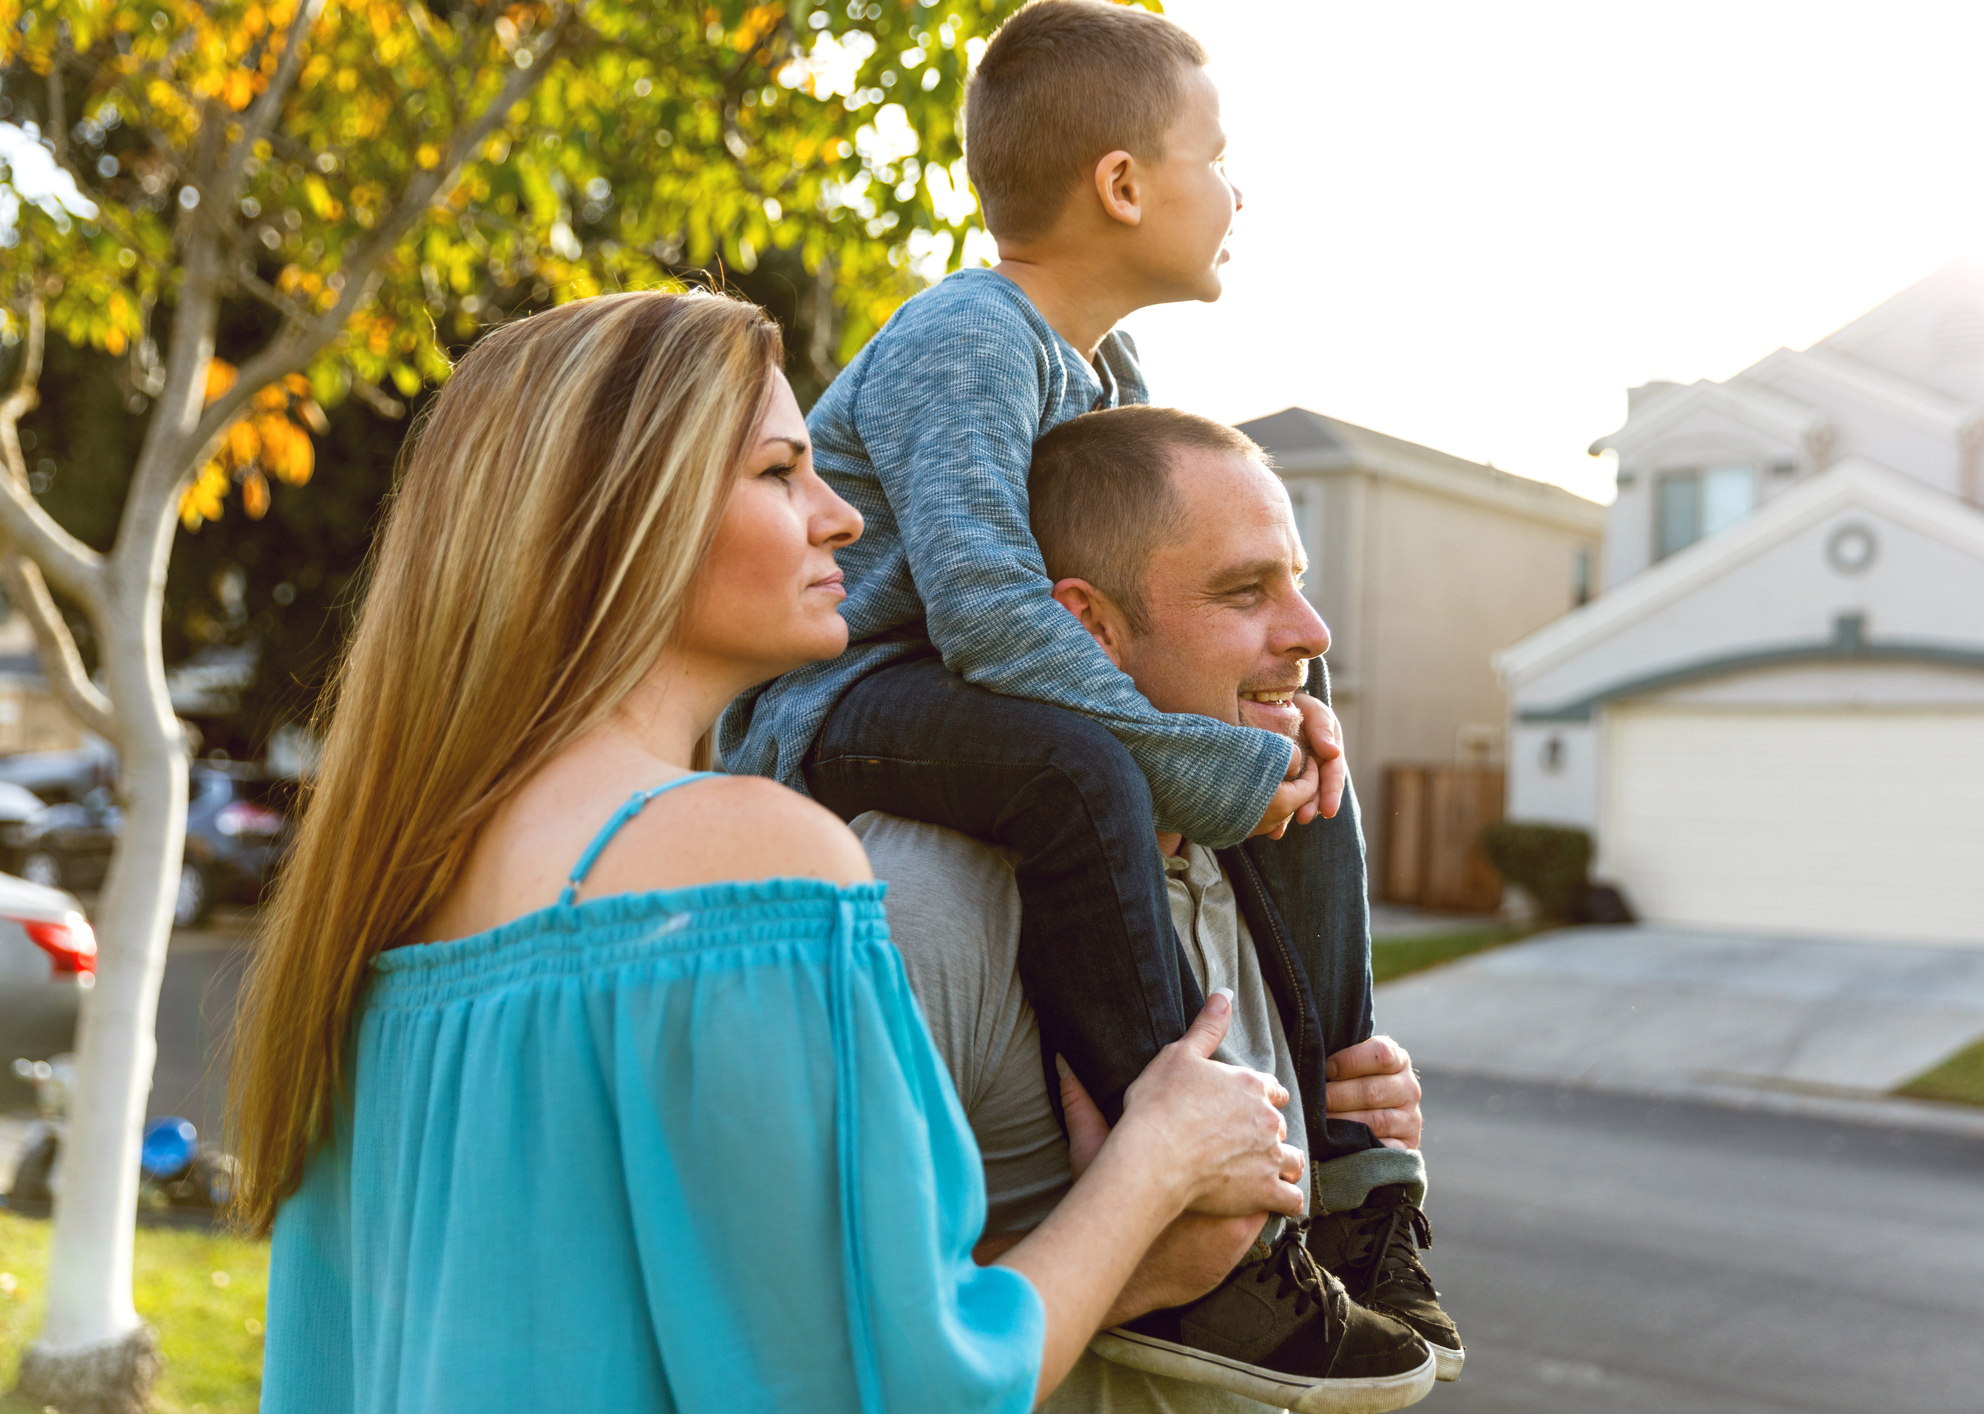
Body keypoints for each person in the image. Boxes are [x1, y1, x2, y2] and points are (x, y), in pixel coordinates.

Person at [225, 290, 1311, 1413]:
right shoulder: (744, 862)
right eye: (782, 471)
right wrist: (1152, 1175)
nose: (840, 517)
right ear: (623, 517)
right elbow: (895, 1389)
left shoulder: (383, 896)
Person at [717, 5, 1459, 1393]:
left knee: (1295, 751)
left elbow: (1123, 574)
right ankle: (1199, 1227)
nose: (1242, 190)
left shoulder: (1107, 370)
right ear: (1122, 184)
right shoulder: (969, 336)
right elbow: (995, 614)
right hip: (848, 701)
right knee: (1082, 775)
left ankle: (1356, 1179)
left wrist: (1276, 726)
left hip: (965, 684)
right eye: (1220, 156)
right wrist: (1201, 758)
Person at [861, 406, 1456, 1413]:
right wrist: (1146, 1250)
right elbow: (825, 1330)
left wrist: (1346, 1128)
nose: (1311, 632)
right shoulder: (919, 897)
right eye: (1243, 591)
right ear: (1087, 626)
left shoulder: (1263, 854)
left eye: (1298, 582)